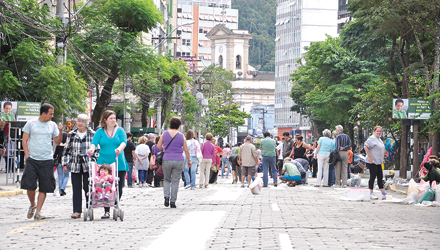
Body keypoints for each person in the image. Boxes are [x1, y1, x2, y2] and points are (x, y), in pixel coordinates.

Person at [21, 103, 64, 220]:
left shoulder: (53, 125)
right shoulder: (31, 123)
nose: (52, 116)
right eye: (50, 114)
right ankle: (33, 205)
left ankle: (38, 212)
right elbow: (24, 140)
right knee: (29, 185)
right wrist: (27, 156)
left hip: (47, 159)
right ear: (43, 113)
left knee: (44, 187)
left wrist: (60, 131)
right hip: (32, 159)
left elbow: (57, 142)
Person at [87, 110, 128, 219]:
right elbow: (94, 143)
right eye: (111, 118)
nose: (113, 120)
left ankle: (115, 205)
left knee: (118, 185)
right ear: (105, 120)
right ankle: (107, 211)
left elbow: (124, 142)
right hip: (104, 164)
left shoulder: (120, 130)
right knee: (105, 185)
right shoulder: (100, 132)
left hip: (118, 161)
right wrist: (91, 149)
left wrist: (119, 149)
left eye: (114, 118)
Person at [62, 113, 95, 219]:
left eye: (82, 121)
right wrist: (65, 163)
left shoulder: (92, 134)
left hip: (87, 164)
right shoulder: (71, 134)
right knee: (76, 188)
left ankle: (89, 206)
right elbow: (66, 150)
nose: (80, 123)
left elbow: (97, 149)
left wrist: (94, 160)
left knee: (87, 186)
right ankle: (76, 210)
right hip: (75, 163)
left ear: (86, 123)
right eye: (78, 121)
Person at [157, 117, 190, 208]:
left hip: (166, 159)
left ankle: (166, 197)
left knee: (167, 179)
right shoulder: (181, 136)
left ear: (170, 124)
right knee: (175, 181)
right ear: (179, 125)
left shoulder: (164, 134)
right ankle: (172, 201)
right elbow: (186, 150)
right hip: (179, 159)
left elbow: (158, 145)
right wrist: (189, 160)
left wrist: (164, 150)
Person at [364, 126, 387, 200]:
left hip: (378, 162)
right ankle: (370, 192)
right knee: (373, 177)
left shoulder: (379, 139)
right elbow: (365, 146)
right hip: (373, 161)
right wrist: (370, 156)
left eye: (380, 131)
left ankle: (383, 193)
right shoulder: (372, 138)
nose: (379, 133)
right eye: (377, 131)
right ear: (374, 131)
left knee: (380, 177)